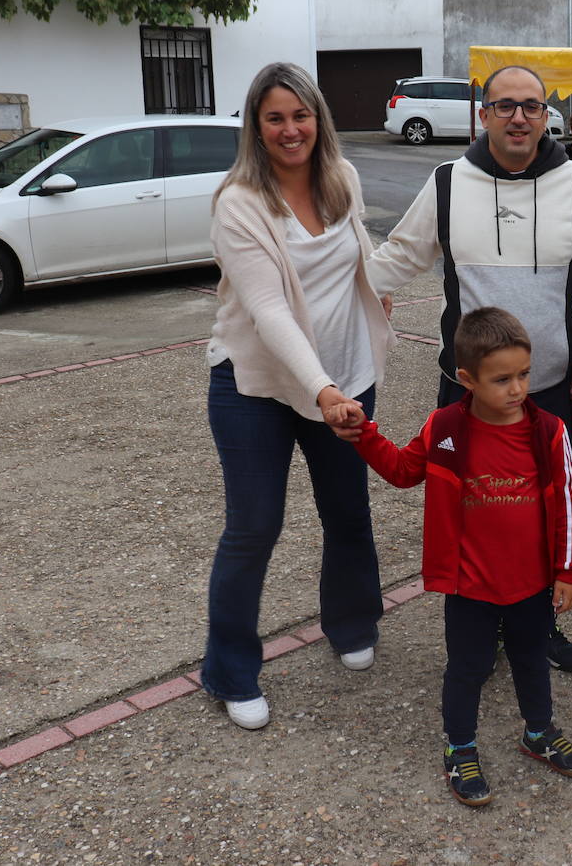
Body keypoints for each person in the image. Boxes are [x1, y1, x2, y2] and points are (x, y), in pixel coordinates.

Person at [365, 64, 572, 673]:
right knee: (474, 511)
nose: (519, 117)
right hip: (467, 389)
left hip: (549, 385)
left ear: (546, 116)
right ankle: (480, 628)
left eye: (531, 106)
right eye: (505, 105)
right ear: (484, 115)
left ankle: (540, 625)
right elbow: (400, 256)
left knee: (544, 508)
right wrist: (332, 295)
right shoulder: (449, 181)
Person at [202, 62, 396, 731]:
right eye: (275, 118)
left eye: (301, 115)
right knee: (254, 527)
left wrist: (378, 288)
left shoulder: (340, 179)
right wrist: (322, 390)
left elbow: (358, 252)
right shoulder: (239, 202)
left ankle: (351, 622)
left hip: (344, 378)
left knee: (347, 511)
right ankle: (228, 670)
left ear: (320, 119)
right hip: (257, 384)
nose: (291, 130)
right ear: (256, 127)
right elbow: (270, 309)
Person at [337, 307, 572, 807]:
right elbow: (403, 471)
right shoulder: (446, 427)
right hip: (470, 585)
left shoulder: (548, 431)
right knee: (467, 667)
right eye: (502, 379)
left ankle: (537, 732)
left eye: (523, 374)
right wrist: (364, 434)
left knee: (531, 660)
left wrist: (568, 570)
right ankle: (460, 747)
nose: (517, 389)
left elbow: (567, 501)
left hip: (532, 582)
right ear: (467, 379)